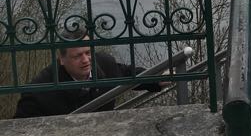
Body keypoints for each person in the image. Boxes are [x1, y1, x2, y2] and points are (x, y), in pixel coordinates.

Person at [14, 31, 164, 118]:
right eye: (77, 56)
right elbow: (22, 126)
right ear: (61, 60)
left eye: (88, 52)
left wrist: (157, 79)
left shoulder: (105, 63)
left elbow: (129, 74)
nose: (86, 60)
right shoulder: (40, 90)